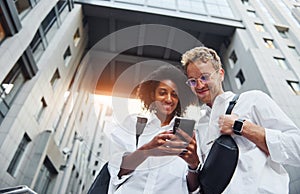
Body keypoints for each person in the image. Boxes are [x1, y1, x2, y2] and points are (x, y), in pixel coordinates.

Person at [181, 46, 300, 193]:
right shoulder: (199, 125)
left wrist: (241, 126)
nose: (199, 85)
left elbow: (297, 149)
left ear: (221, 74)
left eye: (204, 77)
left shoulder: (253, 100)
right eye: (192, 81)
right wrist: (193, 164)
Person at [107, 65, 200, 194]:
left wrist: (194, 165)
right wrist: (147, 150)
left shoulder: (189, 134)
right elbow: (117, 170)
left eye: (174, 95)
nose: (168, 99)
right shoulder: (133, 124)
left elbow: (193, 189)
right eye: (162, 93)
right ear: (152, 95)